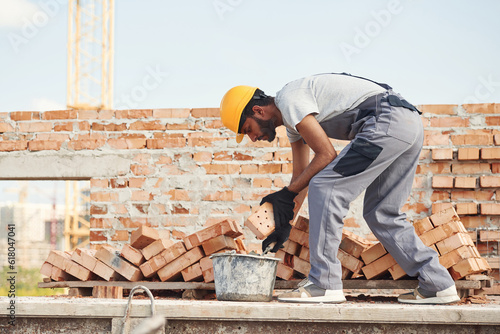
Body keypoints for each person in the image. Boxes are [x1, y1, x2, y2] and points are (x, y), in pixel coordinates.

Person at [219, 73, 460, 305]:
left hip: (385, 121)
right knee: (381, 212)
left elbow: (325, 154)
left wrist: (287, 194)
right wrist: (285, 222)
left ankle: (324, 283)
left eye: (248, 129)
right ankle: (437, 284)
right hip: (407, 123)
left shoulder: (289, 99)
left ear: (258, 111)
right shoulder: (294, 122)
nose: (252, 138)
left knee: (325, 187)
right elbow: (301, 177)